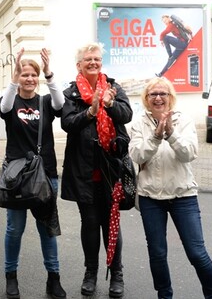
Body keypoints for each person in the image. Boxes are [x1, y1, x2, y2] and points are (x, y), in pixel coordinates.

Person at [129, 77, 212, 299]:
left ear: (171, 97)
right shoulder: (138, 123)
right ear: (146, 99)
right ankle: (164, 295)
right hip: (150, 197)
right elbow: (137, 155)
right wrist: (156, 137)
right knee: (157, 254)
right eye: (153, 94)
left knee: (197, 253)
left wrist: (170, 134)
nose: (158, 98)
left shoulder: (184, 120)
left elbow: (189, 154)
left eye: (163, 94)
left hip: (183, 195)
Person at [60, 42, 133, 298]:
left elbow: (127, 115)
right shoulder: (71, 93)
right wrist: (90, 112)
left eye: (97, 59)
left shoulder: (113, 87)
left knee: (111, 221)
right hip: (83, 170)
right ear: (79, 65)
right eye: (88, 59)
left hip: (111, 169)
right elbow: (67, 123)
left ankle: (117, 274)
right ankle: (90, 273)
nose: (93, 62)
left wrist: (110, 105)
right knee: (90, 222)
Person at [0, 48, 66, 298]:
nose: (28, 79)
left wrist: (49, 73)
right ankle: (11, 277)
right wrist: (13, 76)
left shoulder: (45, 102)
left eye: (32, 75)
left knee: (47, 229)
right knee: (14, 230)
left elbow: (61, 104)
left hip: (46, 174)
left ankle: (54, 278)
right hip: (17, 177)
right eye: (24, 74)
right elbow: (4, 107)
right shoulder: (11, 102)